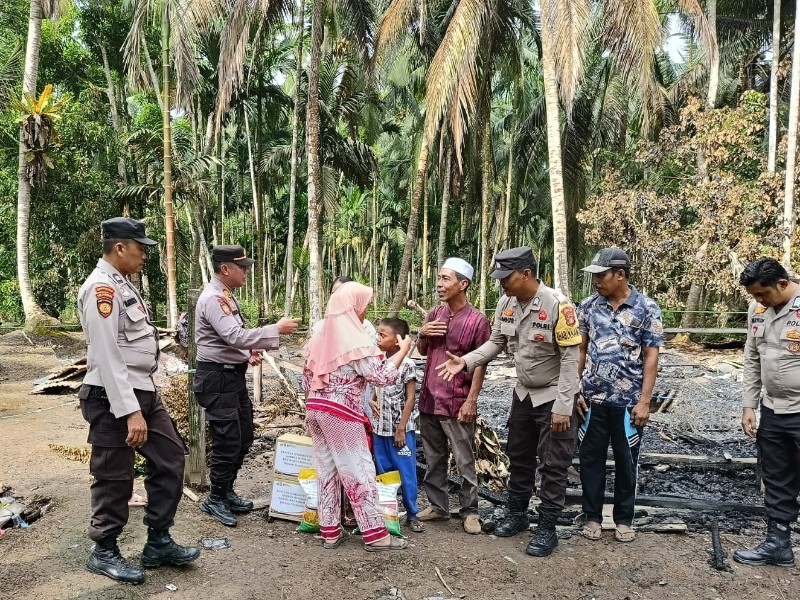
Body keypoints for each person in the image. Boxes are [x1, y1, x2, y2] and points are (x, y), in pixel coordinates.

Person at [437, 247, 581, 556]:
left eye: (507, 277)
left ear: (526, 274)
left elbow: (571, 360)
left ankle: (547, 528)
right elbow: (496, 342)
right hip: (524, 393)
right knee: (519, 456)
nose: (501, 283)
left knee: (554, 464)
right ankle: (517, 514)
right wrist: (465, 362)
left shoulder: (558, 305)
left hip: (553, 394)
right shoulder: (507, 303)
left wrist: (563, 406)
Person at [77, 217, 199, 584]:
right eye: (139, 247)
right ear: (119, 248)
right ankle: (104, 550)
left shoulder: (122, 285)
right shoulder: (101, 288)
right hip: (112, 399)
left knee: (171, 458)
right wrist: (130, 411)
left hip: (143, 393)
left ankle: (158, 540)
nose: (144, 253)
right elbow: (107, 354)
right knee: (115, 475)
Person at [194, 245, 299, 527]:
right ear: (225, 268)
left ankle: (226, 490)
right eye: (243, 267)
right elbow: (233, 334)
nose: (247, 272)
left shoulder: (225, 296)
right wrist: (275, 329)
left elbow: (228, 340)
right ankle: (215, 497)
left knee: (243, 436)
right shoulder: (213, 298)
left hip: (230, 376)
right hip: (217, 378)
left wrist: (246, 352)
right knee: (227, 439)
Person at [303, 283, 412, 551]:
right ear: (353, 309)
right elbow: (383, 377)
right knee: (359, 471)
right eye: (363, 307)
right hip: (341, 414)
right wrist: (402, 351)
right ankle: (377, 535)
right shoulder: (355, 341)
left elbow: (306, 378)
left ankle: (329, 532)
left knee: (327, 472)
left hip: (315, 409)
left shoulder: (318, 338)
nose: (365, 313)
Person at [575, 248, 663, 543]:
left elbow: (651, 356)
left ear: (621, 275)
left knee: (627, 462)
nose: (596, 281)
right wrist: (575, 389)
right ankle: (592, 517)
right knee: (590, 460)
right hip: (592, 400)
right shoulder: (587, 307)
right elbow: (580, 350)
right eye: (595, 276)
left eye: (601, 275)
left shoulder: (647, 308)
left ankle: (624, 519)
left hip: (628, 404)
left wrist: (644, 401)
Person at [733, 257, 800, 568]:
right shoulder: (757, 310)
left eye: (762, 294)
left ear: (783, 285)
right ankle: (778, 545)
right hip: (772, 410)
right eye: (754, 296)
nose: (758, 301)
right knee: (776, 477)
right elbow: (752, 358)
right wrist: (749, 404)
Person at [416, 257, 490, 535]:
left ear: (463, 284)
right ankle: (438, 506)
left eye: (446, 279)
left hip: (458, 400)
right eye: (439, 278)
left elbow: (481, 362)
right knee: (434, 457)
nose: (439, 284)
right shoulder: (434, 314)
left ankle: (470, 511)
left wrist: (472, 400)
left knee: (464, 458)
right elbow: (423, 351)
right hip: (430, 398)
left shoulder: (478, 321)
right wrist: (421, 332)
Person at [369, 317, 423, 533]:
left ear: (398, 340)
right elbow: (377, 384)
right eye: (378, 333)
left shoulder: (407, 365)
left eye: (383, 335)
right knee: (383, 473)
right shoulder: (379, 361)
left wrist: (401, 429)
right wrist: (372, 398)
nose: (378, 337)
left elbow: (410, 399)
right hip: (379, 429)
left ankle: (412, 514)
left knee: (406, 472)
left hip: (401, 431)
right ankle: (388, 513)